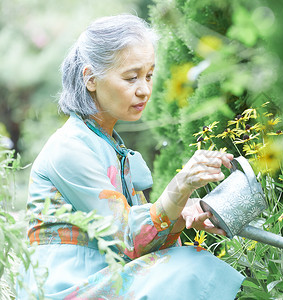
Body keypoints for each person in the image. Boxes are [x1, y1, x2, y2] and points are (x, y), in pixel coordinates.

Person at [18, 14, 244, 299]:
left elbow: (144, 241)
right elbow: (129, 240)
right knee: (189, 268)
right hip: (65, 289)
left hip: (107, 276)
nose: (145, 90)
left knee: (190, 261)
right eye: (131, 77)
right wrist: (180, 187)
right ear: (90, 79)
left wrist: (184, 210)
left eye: (149, 75)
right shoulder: (69, 148)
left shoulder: (109, 143)